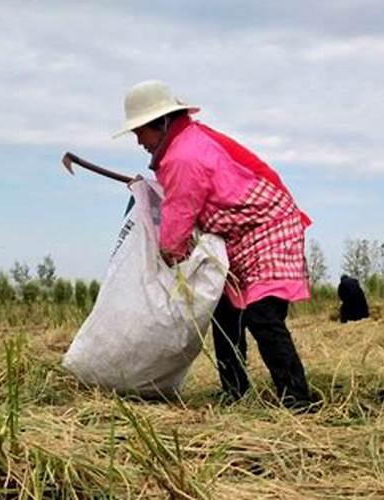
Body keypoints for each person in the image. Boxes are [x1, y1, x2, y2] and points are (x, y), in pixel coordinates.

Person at [114, 80, 314, 409]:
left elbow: (179, 214)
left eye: (140, 132)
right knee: (224, 313)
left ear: (161, 123)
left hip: (268, 228)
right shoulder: (185, 144)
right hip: (237, 236)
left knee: (262, 316)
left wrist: (167, 257)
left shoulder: (183, 156)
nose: (138, 142)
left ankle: (298, 401)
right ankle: (234, 391)